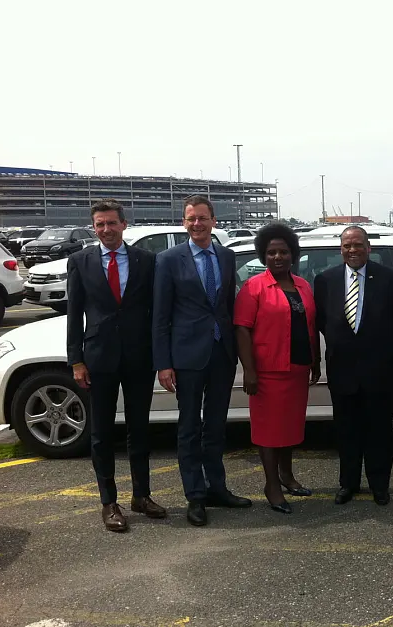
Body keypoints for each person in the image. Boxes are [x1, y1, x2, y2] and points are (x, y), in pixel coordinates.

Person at [66, 199, 166, 532]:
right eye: (100, 225)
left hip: (139, 358)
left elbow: (156, 312)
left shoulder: (145, 261)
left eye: (111, 223)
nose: (106, 230)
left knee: (139, 429)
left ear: (124, 224)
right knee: (101, 433)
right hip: (98, 359)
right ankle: (109, 502)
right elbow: (74, 314)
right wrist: (76, 360)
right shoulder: (80, 262)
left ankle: (142, 495)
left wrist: (160, 355)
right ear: (94, 228)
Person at [152, 194, 252, 527]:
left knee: (216, 427)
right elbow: (161, 315)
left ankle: (217, 488)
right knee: (189, 428)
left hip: (222, 354)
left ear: (213, 221)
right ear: (184, 222)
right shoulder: (168, 259)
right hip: (187, 356)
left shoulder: (225, 256)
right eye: (191, 218)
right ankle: (195, 495)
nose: (197, 224)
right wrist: (163, 363)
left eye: (203, 218)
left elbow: (225, 304)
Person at [314, 226, 393, 506]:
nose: (352, 250)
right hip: (342, 369)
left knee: (379, 431)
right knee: (346, 430)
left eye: (357, 245)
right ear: (340, 249)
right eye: (347, 246)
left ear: (369, 248)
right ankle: (348, 483)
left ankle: (380, 485)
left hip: (379, 368)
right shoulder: (325, 280)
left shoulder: (390, 279)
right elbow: (322, 321)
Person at [234, 223, 321, 514]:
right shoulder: (254, 287)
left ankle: (287, 476)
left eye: (283, 251)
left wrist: (315, 360)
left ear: (293, 254)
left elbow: (310, 326)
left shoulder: (303, 285)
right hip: (268, 371)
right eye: (271, 252)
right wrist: (249, 370)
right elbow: (242, 330)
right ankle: (271, 484)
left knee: (290, 428)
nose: (278, 257)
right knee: (268, 432)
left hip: (296, 368)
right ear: (263, 256)